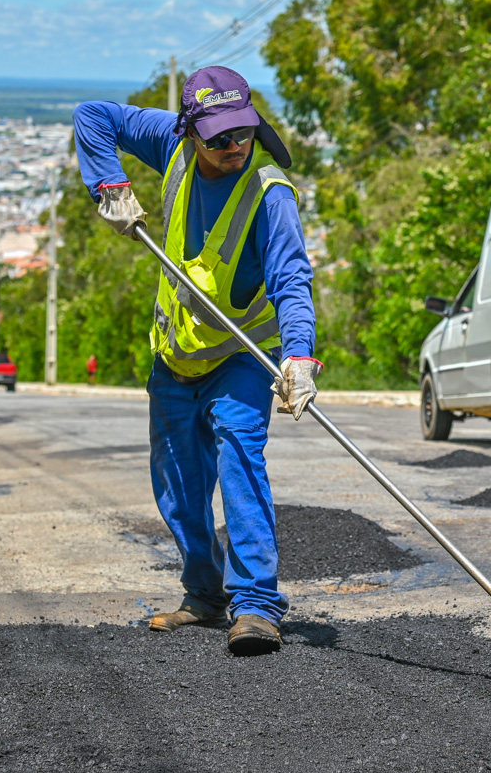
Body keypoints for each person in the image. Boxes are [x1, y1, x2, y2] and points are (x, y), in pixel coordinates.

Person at [73, 66, 321, 656]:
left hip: (240, 353)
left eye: (243, 132)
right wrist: (110, 186)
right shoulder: (173, 145)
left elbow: (292, 280)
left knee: (240, 457)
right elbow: (93, 115)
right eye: (218, 138)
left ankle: (256, 605)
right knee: (178, 484)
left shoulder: (270, 193)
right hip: (175, 355)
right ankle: (205, 595)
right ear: (190, 131)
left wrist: (299, 356)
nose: (233, 146)